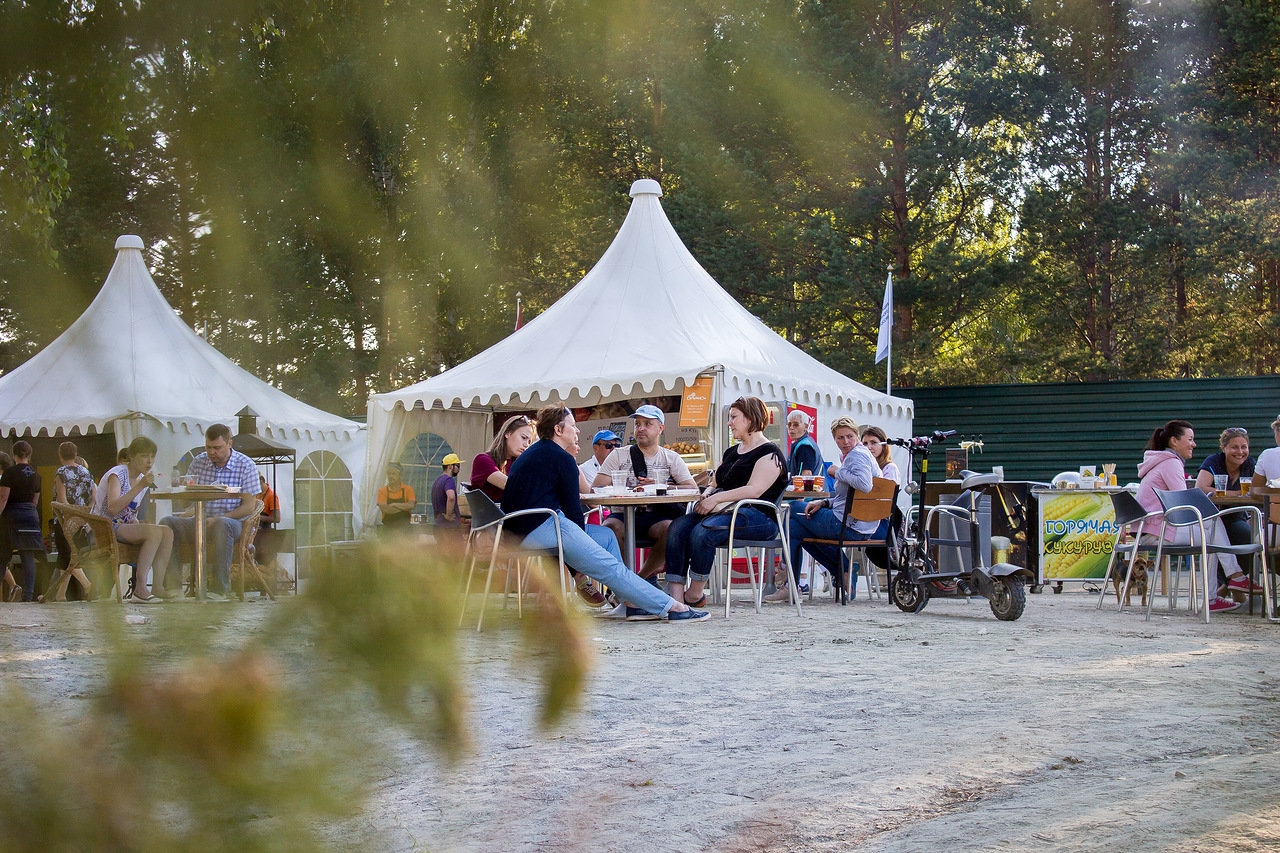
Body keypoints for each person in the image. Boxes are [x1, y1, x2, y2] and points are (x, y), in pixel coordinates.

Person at [500, 405, 707, 622]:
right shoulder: (562, 458)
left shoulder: (537, 452)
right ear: (558, 430)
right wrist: (578, 561)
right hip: (541, 527)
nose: (577, 431)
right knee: (608, 567)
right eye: (573, 425)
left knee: (607, 537)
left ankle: (630, 602)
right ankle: (672, 607)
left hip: (521, 529)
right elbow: (573, 514)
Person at [663, 396, 788, 608]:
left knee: (704, 531)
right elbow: (715, 480)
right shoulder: (731, 452)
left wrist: (716, 498)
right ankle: (675, 597)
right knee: (677, 527)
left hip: (758, 518)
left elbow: (754, 490)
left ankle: (694, 594)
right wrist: (709, 491)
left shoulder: (770, 453)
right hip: (725, 511)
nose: (729, 423)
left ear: (750, 419)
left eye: (733, 417)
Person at [1135, 420, 1258, 614]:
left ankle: (1230, 582)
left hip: (1151, 527)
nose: (1194, 444)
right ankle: (1227, 584)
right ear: (1175, 441)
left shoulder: (1164, 461)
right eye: (1190, 439)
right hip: (1156, 530)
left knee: (1212, 526)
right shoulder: (1170, 463)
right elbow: (1182, 506)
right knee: (1210, 530)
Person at [771, 417, 886, 603]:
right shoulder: (861, 455)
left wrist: (836, 471)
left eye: (849, 436)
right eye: (840, 438)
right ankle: (840, 572)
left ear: (856, 435)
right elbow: (849, 496)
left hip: (848, 524)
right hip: (862, 525)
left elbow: (865, 485)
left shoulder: (857, 455)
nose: (845, 441)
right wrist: (824, 503)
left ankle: (796, 584)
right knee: (795, 530)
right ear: (834, 439)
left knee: (792, 510)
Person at [592, 405, 698, 580]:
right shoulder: (618, 455)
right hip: (622, 516)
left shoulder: (671, 458)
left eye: (647, 424)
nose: (641, 428)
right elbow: (596, 489)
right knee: (608, 529)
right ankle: (624, 578)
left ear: (660, 428)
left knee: (672, 529)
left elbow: (692, 489)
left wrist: (662, 486)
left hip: (656, 517)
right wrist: (622, 491)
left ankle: (639, 580)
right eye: (638, 423)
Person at [159, 424, 261, 600]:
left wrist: (219, 518)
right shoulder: (199, 462)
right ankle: (173, 587)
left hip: (233, 523)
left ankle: (219, 589)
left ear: (230, 443)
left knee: (222, 525)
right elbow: (188, 496)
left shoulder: (246, 465)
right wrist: (188, 508)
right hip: (200, 519)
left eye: (217, 448)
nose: (212, 452)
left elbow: (249, 507)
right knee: (167, 523)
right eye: (208, 447)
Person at [94, 436, 174, 602]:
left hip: (121, 526)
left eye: (152, 456)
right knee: (153, 532)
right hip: (104, 527)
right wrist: (140, 486)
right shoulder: (117, 474)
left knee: (167, 532)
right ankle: (140, 587)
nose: (149, 461)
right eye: (144, 456)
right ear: (131, 456)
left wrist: (138, 524)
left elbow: (130, 514)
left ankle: (158, 586)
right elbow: (113, 508)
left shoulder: (140, 480)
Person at [47, 440, 97, 601]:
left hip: (65, 519)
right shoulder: (86, 472)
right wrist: (85, 513)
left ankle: (87, 585)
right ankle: (60, 595)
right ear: (75, 455)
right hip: (82, 520)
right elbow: (93, 498)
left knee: (67, 555)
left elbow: (62, 499)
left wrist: (68, 516)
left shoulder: (61, 472)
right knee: (66, 555)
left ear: (59, 455)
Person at [0, 441, 47, 602]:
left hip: (12, 516)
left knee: (2, 555)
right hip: (30, 515)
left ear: (14, 455)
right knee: (27, 556)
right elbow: (35, 500)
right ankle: (28, 595)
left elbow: (3, 497)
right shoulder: (37, 475)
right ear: (29, 454)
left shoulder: (9, 473)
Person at [469, 415, 535, 504]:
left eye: (529, 442)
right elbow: (511, 486)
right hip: (493, 516)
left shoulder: (518, 464)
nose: (526, 445)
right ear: (507, 433)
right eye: (523, 438)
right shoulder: (483, 460)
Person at [377, 462, 416, 533]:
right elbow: (385, 509)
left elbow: (411, 505)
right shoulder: (382, 491)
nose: (390, 476)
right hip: (388, 532)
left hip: (405, 531)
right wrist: (404, 508)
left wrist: (394, 505)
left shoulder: (408, 489)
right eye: (389, 474)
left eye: (393, 474)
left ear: (400, 475)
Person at [254, 472, 281, 570]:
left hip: (265, 533)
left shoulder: (272, 496)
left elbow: (277, 518)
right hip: (256, 530)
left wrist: (259, 518)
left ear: (262, 482)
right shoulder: (257, 494)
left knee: (265, 559)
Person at [786, 409, 823, 476]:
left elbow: (807, 475)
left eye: (796, 425)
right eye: (789, 424)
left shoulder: (804, 446)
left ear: (806, 426)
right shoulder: (805, 442)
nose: (791, 428)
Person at [431, 453, 462, 529]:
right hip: (449, 527)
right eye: (457, 466)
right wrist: (448, 515)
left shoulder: (437, 481)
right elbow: (451, 497)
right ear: (450, 466)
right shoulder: (449, 480)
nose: (459, 469)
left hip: (438, 524)